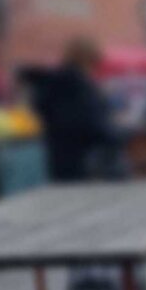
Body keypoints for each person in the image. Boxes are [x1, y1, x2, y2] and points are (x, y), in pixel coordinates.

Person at [29, 36, 123, 182]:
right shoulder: (79, 85)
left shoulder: (51, 83)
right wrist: (116, 136)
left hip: (57, 156)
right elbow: (91, 122)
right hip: (85, 159)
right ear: (87, 60)